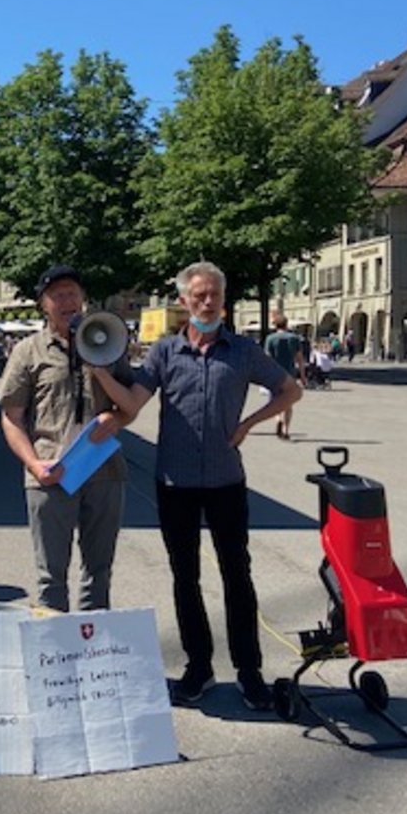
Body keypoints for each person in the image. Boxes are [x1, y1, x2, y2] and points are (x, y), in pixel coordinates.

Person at [88, 261, 302, 710]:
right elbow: (133, 404)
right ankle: (199, 667)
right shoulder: (165, 352)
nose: (208, 303)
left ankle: (249, 671)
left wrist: (249, 423)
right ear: (183, 301)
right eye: (200, 296)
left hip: (226, 480)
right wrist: (102, 372)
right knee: (185, 577)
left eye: (215, 296)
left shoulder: (242, 351)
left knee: (237, 575)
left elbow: (290, 390)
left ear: (224, 301)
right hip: (175, 481)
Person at [0, 265, 134, 612]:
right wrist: (33, 464)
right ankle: (54, 656)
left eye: (72, 292)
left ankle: (91, 651)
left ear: (83, 298)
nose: (67, 301)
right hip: (50, 473)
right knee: (50, 576)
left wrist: (114, 418)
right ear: (43, 303)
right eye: (58, 295)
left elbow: (130, 405)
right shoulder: (28, 351)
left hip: (103, 472)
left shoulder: (108, 342)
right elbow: (12, 419)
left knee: (98, 571)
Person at [264, 314, 306, 440]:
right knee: (288, 404)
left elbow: (267, 358)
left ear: (275, 325)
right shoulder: (294, 338)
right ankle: (286, 430)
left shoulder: (270, 338)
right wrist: (303, 376)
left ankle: (278, 419)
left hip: (274, 374)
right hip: (290, 374)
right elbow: (299, 359)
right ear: (286, 324)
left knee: (274, 402)